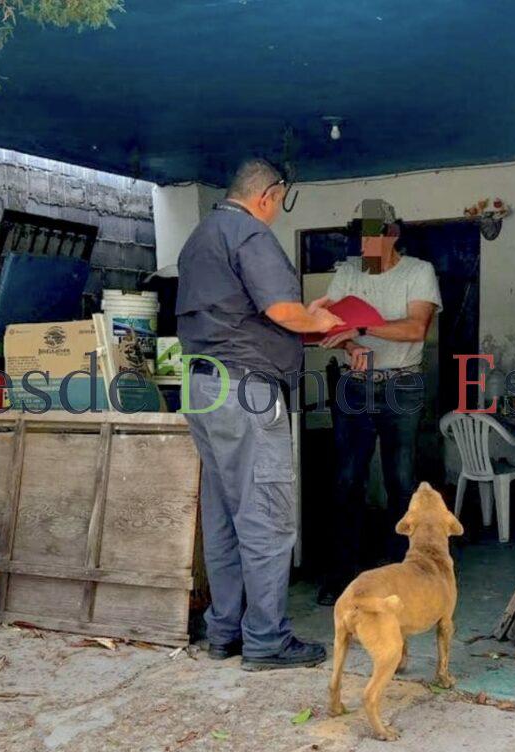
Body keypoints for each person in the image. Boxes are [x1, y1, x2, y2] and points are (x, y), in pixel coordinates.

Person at [176, 158, 342, 669]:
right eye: (280, 203)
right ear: (268, 195)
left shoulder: (200, 236)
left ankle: (224, 632)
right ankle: (268, 640)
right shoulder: (249, 233)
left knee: (225, 516)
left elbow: (239, 310)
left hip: (202, 387)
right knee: (266, 516)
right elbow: (281, 311)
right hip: (246, 390)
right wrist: (319, 317)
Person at [317, 199, 443, 605]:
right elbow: (330, 325)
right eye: (362, 233)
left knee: (401, 480)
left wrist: (362, 325)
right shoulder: (347, 273)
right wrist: (352, 343)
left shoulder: (418, 271)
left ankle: (403, 574)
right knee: (347, 479)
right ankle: (341, 575)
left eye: (375, 233)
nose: (366, 242)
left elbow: (416, 329)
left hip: (401, 385)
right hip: (355, 384)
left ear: (393, 234)